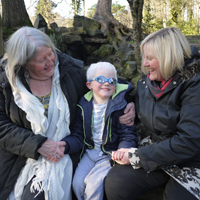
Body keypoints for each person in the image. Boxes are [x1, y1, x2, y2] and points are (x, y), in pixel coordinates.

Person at [0, 26, 135, 200]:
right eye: (42, 60)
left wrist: (130, 101)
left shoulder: (69, 71)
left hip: (66, 152)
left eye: (50, 54)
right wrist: (38, 144)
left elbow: (106, 82)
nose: (50, 62)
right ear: (24, 63)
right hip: (19, 159)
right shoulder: (6, 84)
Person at [105, 27, 200, 200]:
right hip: (158, 149)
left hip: (193, 161)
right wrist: (131, 104)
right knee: (116, 183)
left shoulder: (195, 83)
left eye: (150, 58)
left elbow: (189, 142)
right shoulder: (147, 80)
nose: (144, 64)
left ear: (167, 57)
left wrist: (137, 157)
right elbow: (148, 103)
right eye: (144, 58)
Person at [58, 62, 138, 200]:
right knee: (77, 184)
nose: (107, 83)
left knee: (93, 186)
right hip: (89, 153)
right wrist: (65, 144)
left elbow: (128, 133)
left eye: (111, 80)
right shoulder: (83, 105)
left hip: (109, 154)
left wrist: (123, 149)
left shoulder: (120, 106)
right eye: (100, 79)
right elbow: (78, 134)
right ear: (89, 85)